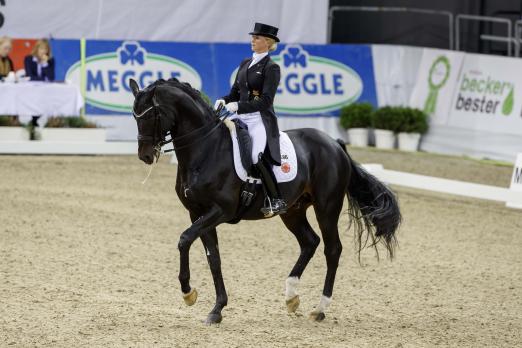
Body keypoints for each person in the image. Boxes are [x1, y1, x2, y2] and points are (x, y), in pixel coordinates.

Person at [215, 22, 287, 216]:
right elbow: (235, 92)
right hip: (240, 117)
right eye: (253, 37)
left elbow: (265, 101)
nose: (252, 40)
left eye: (257, 38)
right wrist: (224, 100)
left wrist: (238, 105)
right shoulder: (245, 63)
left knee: (255, 156)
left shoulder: (271, 68)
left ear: (268, 42)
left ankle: (276, 199)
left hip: (259, 119)